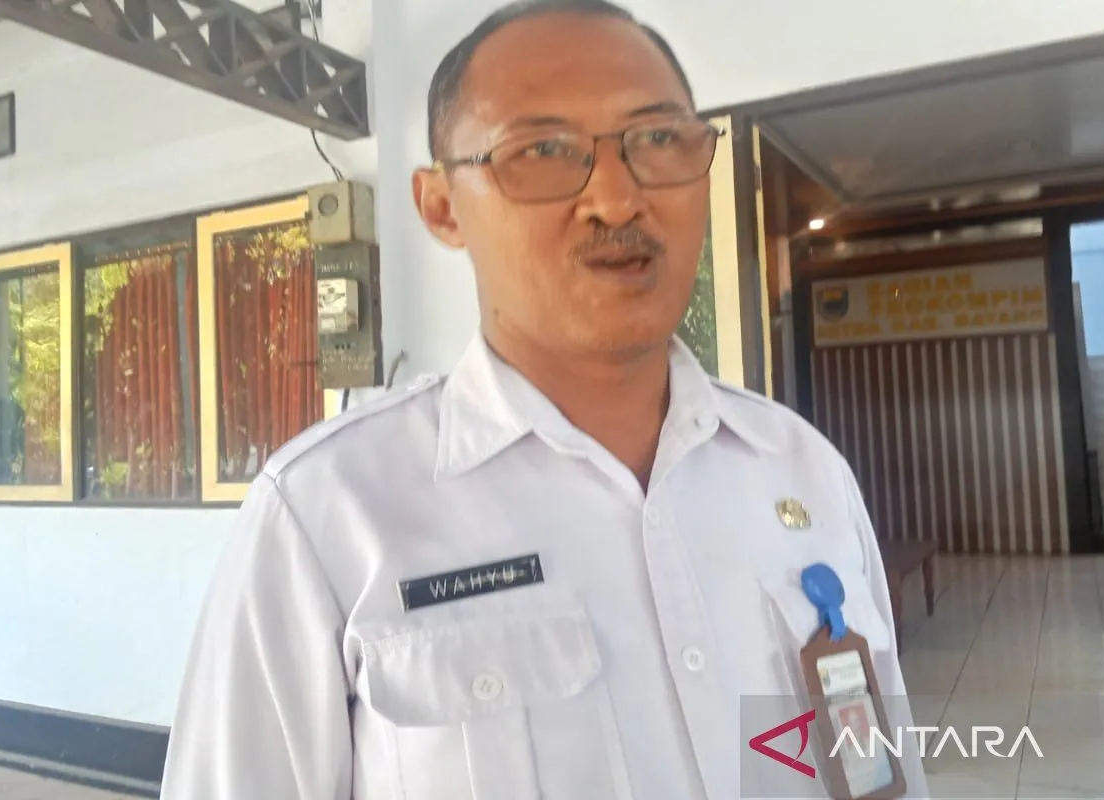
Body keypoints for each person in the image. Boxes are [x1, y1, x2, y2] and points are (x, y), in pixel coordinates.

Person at [159, 1, 930, 798]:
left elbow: (881, 764)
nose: (617, 201)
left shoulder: (800, 467)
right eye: (542, 151)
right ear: (441, 207)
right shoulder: (326, 516)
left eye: (658, 139)